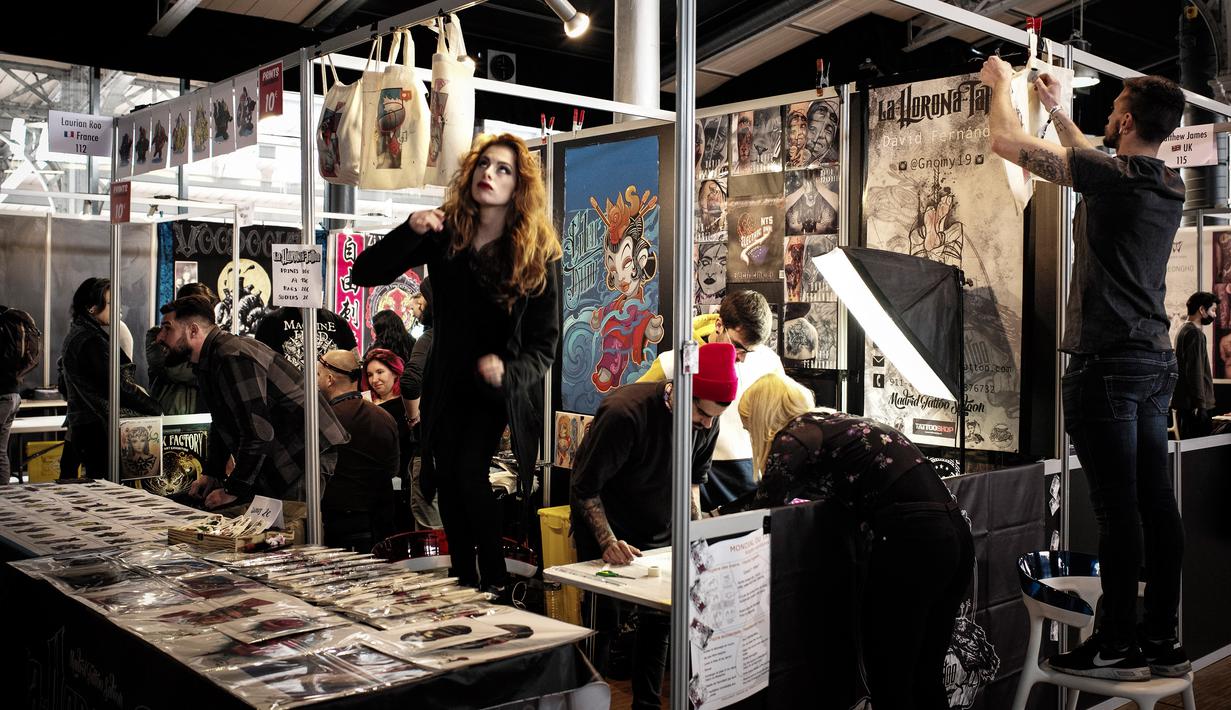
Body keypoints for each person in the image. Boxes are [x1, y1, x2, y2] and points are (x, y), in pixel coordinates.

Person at [982, 56, 1190, 680]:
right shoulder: (1165, 181)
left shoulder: (1115, 176)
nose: (1108, 116)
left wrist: (1001, 88)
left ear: (1124, 122)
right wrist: (1053, 109)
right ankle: (1161, 639)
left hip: (1109, 364)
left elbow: (1005, 142)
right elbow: (1087, 158)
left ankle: (1117, 644)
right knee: (1155, 505)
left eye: (1114, 109)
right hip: (1153, 361)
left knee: (1119, 511)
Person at [351, 133, 562, 594]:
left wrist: (510, 372)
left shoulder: (535, 252)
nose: (490, 174)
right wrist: (410, 228)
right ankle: (465, 578)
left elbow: (545, 344)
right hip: (445, 380)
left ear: (519, 185)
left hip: (495, 388)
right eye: (484, 164)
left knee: (467, 471)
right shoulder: (447, 234)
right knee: (445, 476)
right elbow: (364, 272)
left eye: (503, 169)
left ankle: (496, 581)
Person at [732, 372, 973, 709]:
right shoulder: (836, 424)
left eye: (748, 427)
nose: (750, 435)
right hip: (953, 533)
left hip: (912, 540)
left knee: (890, 674)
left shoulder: (794, 438)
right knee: (925, 673)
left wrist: (715, 521)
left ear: (762, 417)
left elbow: (765, 507)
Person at [571, 342, 738, 710]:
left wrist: (696, 539)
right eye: (701, 413)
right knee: (604, 623)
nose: (707, 425)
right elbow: (584, 488)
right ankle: (586, 703)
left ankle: (645, 706)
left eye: (714, 417)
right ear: (681, 389)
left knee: (660, 620)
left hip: (659, 525)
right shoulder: (624, 413)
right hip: (608, 525)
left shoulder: (708, 422)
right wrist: (608, 541)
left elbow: (693, 483)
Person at [154, 295, 349, 508]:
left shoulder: (231, 356)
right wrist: (213, 473)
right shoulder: (209, 359)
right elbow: (222, 421)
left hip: (303, 453)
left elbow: (258, 433)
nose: (159, 337)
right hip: (282, 452)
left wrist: (233, 490)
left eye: (167, 328)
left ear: (193, 331)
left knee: (288, 524)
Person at [638, 291, 783, 509]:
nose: (742, 358)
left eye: (750, 351)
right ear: (719, 325)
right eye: (737, 346)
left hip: (750, 477)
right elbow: (631, 404)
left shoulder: (768, 361)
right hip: (693, 475)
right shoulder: (676, 361)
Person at [60, 278, 161, 479]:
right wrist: (154, 407)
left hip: (87, 424)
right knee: (104, 487)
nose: (117, 308)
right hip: (97, 427)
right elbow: (116, 385)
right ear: (91, 308)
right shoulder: (89, 340)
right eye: (110, 303)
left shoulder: (82, 334)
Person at [316, 349, 398, 551]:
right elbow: (393, 468)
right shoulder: (384, 417)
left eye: (318, 375)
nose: (315, 381)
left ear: (329, 379)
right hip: (382, 519)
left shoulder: (323, 421)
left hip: (341, 520)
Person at [400, 277, 442, 529]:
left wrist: (413, 417)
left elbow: (409, 381)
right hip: (466, 457)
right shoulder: (472, 338)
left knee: (433, 540)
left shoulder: (431, 338)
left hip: (433, 451)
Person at [146, 282, 218, 415]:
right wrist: (208, 373)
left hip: (205, 410)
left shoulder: (214, 337)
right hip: (171, 409)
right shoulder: (158, 335)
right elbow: (172, 371)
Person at [362, 347, 413, 492]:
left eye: (380, 372)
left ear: (395, 372)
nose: (374, 380)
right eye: (370, 375)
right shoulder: (365, 401)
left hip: (397, 478)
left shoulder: (406, 405)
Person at [1, 305, 41, 484]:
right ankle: (4, 494)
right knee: (1, 451)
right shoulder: (11, 320)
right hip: (13, 394)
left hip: (2, 396)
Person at [254, 306, 357, 371]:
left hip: (329, 396)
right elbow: (258, 365)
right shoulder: (270, 322)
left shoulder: (338, 323)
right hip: (286, 395)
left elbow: (355, 363)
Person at [1173, 291, 1218, 438]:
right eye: (1213, 310)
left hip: (1185, 404)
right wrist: (1201, 405)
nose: (1214, 315)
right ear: (1202, 310)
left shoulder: (1182, 330)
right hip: (1195, 407)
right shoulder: (1195, 334)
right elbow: (1195, 371)